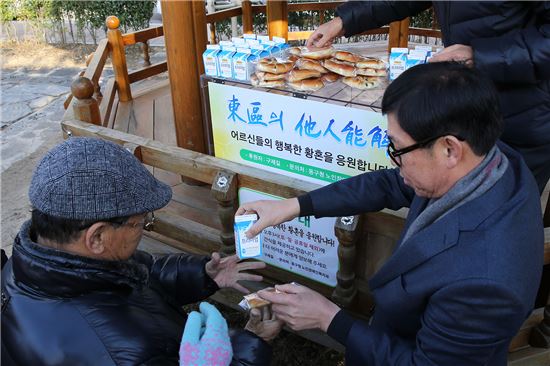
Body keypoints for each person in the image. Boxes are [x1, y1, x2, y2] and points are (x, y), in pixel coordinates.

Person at [237, 62, 545, 365]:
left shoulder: (485, 284)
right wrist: (293, 206)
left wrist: (328, 318)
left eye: (396, 148)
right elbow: (386, 185)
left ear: (449, 149)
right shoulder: (491, 160)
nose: (394, 162)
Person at [1, 137, 281, 365]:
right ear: (97, 236)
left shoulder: (29, 266)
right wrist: (253, 341)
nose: (144, 228)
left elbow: (137, 277)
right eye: (141, 222)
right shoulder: (133, 353)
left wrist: (203, 274)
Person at [307, 1, 550, 193]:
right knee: (451, 211)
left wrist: (480, 56)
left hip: (522, 118)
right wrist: (344, 21)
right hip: (464, 105)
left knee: (497, 223)